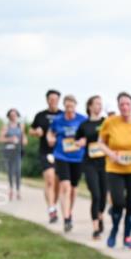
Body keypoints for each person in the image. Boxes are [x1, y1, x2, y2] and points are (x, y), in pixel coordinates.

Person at [99, 92, 131, 249]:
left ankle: (127, 236)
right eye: (122, 104)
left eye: (128, 104)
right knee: (118, 202)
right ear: (118, 106)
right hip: (115, 168)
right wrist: (111, 153)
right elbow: (100, 143)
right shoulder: (110, 122)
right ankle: (114, 230)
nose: (125, 107)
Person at [47, 95, 87, 232]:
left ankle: (69, 211)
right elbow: (50, 133)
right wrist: (50, 139)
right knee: (65, 186)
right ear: (64, 106)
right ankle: (66, 218)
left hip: (78, 157)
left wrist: (83, 141)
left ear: (75, 106)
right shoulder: (58, 120)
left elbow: (89, 135)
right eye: (67, 106)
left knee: (74, 188)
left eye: (72, 106)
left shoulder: (82, 120)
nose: (69, 109)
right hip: (61, 156)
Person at [77, 95, 108, 239]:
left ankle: (100, 215)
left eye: (100, 104)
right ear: (90, 106)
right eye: (96, 104)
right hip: (89, 164)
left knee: (103, 196)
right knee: (95, 195)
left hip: (105, 164)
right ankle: (95, 228)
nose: (99, 106)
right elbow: (76, 141)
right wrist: (80, 142)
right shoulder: (84, 125)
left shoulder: (106, 122)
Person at [29, 90, 63, 223]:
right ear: (47, 100)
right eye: (50, 99)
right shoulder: (40, 115)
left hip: (61, 153)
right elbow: (31, 130)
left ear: (58, 100)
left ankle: (53, 204)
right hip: (45, 151)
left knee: (57, 183)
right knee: (49, 180)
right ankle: (51, 209)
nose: (53, 101)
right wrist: (36, 132)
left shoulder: (62, 115)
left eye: (55, 99)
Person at [0, 109, 27, 200]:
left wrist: (23, 141)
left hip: (17, 151)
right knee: (10, 171)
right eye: (11, 115)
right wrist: (10, 139)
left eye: (15, 115)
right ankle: (11, 189)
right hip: (8, 151)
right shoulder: (6, 127)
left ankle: (18, 191)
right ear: (9, 116)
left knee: (18, 171)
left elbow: (24, 138)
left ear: (17, 116)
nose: (13, 116)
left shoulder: (21, 126)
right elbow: (0, 139)